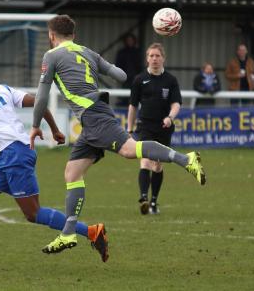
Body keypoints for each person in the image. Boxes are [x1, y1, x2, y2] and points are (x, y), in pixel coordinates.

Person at [30, 15, 206, 255]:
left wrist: (35, 125)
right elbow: (121, 76)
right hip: (92, 118)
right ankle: (68, 233)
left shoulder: (51, 56)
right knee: (72, 172)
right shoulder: (89, 52)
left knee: (129, 150)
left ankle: (187, 160)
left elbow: (41, 96)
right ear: (74, 35)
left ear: (52, 36)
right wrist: (96, 68)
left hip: (94, 116)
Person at [0, 77, 109, 270]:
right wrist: (55, 129)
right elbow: (38, 102)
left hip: (13, 157)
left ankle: (92, 232)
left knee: (33, 213)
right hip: (16, 152)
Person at [126, 43, 183, 215]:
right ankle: (143, 198)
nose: (154, 59)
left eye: (157, 55)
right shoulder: (139, 80)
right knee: (145, 160)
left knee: (158, 165)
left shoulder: (171, 80)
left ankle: (153, 202)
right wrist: (129, 129)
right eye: (151, 56)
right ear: (147, 58)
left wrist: (170, 117)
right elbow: (133, 106)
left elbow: (176, 104)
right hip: (145, 126)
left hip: (163, 127)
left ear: (163, 58)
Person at [115, 33, 142, 106]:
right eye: (128, 40)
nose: (130, 42)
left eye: (131, 40)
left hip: (135, 78)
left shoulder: (138, 52)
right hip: (124, 78)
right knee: (124, 97)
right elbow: (117, 65)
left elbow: (140, 66)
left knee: (135, 96)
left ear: (134, 41)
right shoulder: (121, 52)